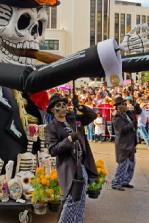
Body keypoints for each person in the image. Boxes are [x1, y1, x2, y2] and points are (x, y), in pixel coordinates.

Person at [45, 94, 98, 223]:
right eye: (59, 105)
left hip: (82, 164)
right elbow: (52, 149)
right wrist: (68, 140)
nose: (63, 107)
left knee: (81, 200)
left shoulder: (74, 120)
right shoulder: (51, 128)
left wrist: (79, 106)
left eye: (64, 104)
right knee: (72, 200)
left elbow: (92, 116)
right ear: (52, 110)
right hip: (69, 167)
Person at [111, 96, 141, 191]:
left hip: (131, 143)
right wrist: (132, 123)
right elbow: (122, 130)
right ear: (117, 107)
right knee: (123, 164)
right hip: (123, 144)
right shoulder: (117, 117)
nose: (124, 106)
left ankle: (125, 181)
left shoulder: (129, 113)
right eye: (121, 104)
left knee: (131, 164)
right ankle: (116, 182)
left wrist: (136, 106)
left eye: (125, 103)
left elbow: (138, 112)